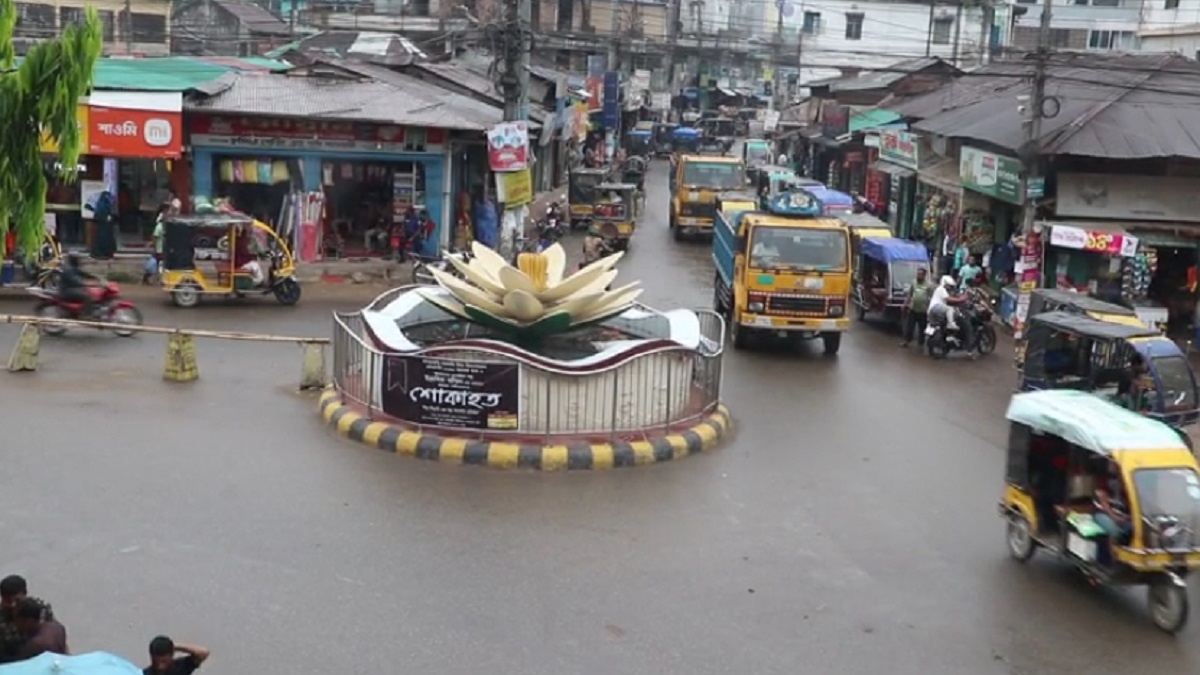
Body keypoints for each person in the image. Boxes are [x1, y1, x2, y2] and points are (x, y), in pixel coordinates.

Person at [0, 577, 53, 663]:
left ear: (25, 593)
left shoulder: (41, 609)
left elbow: (54, 635)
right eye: (7, 601)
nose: (12, 605)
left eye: (16, 600)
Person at [928, 275, 976, 357]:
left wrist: (960, 298)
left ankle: (952, 336)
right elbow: (949, 300)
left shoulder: (948, 291)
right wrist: (961, 299)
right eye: (949, 286)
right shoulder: (941, 289)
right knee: (967, 326)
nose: (950, 288)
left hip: (935, 312)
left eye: (951, 286)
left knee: (950, 314)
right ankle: (969, 350)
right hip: (937, 309)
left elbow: (953, 298)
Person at [1093, 461, 1132, 560]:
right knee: (1114, 531)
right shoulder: (1103, 479)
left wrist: (1128, 517)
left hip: (1122, 514)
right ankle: (1113, 560)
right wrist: (1114, 517)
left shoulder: (1128, 480)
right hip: (1103, 513)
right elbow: (1103, 501)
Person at [58, 252, 100, 318]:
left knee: (92, 292)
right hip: (67, 291)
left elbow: (83, 273)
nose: (79, 260)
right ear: (73, 259)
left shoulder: (74, 267)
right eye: (77, 259)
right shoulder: (68, 269)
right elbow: (75, 281)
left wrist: (96, 277)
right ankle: (87, 315)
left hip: (73, 289)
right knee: (87, 296)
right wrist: (88, 284)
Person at [901, 267, 934, 348]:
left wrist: (930, 308)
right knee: (909, 326)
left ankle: (921, 343)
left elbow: (932, 297)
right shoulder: (914, 282)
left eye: (920, 274)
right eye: (918, 274)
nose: (918, 276)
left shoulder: (929, 285)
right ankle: (906, 341)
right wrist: (905, 304)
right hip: (913, 309)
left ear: (924, 275)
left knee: (922, 328)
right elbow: (910, 294)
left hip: (923, 310)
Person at [144, 636, 209, 675]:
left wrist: (175, 646)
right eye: (156, 662)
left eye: (163, 661)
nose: (160, 666)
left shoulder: (180, 667)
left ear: (171, 655)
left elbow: (203, 653)